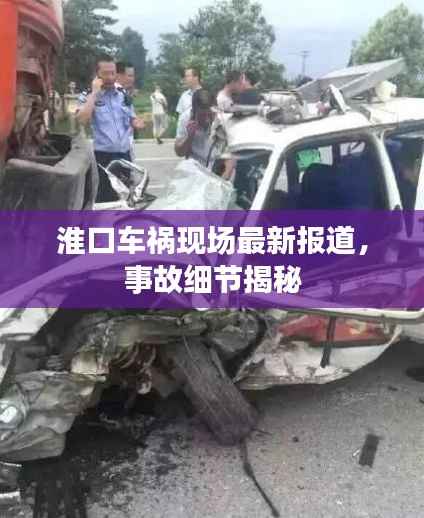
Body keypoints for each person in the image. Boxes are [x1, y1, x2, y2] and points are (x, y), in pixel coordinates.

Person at [76, 55, 144, 202]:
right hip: (103, 157)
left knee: (125, 199)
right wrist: (94, 93)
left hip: (124, 156)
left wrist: (136, 122)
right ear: (97, 75)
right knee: (105, 201)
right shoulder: (87, 96)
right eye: (105, 73)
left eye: (113, 73)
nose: (110, 77)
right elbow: (81, 120)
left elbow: (131, 117)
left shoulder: (122, 94)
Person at [174, 88, 215, 167]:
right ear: (193, 111)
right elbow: (179, 153)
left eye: (209, 114)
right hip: (195, 166)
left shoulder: (220, 116)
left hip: (217, 165)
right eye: (202, 115)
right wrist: (189, 136)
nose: (207, 119)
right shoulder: (185, 118)